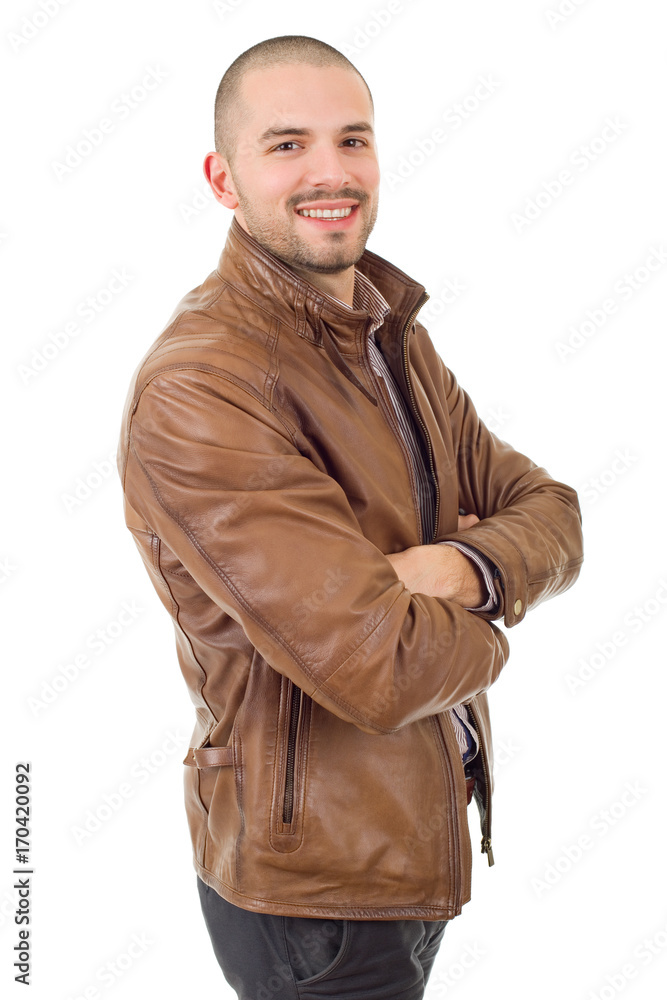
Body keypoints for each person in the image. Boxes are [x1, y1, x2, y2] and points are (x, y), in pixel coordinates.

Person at [117, 34, 583, 1000]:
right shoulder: (203, 385)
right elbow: (380, 666)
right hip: (313, 899)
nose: (329, 173)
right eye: (286, 144)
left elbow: (553, 512)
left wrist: (449, 570)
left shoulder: (386, 334)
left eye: (352, 140)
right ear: (223, 177)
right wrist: (495, 618)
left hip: (409, 844)